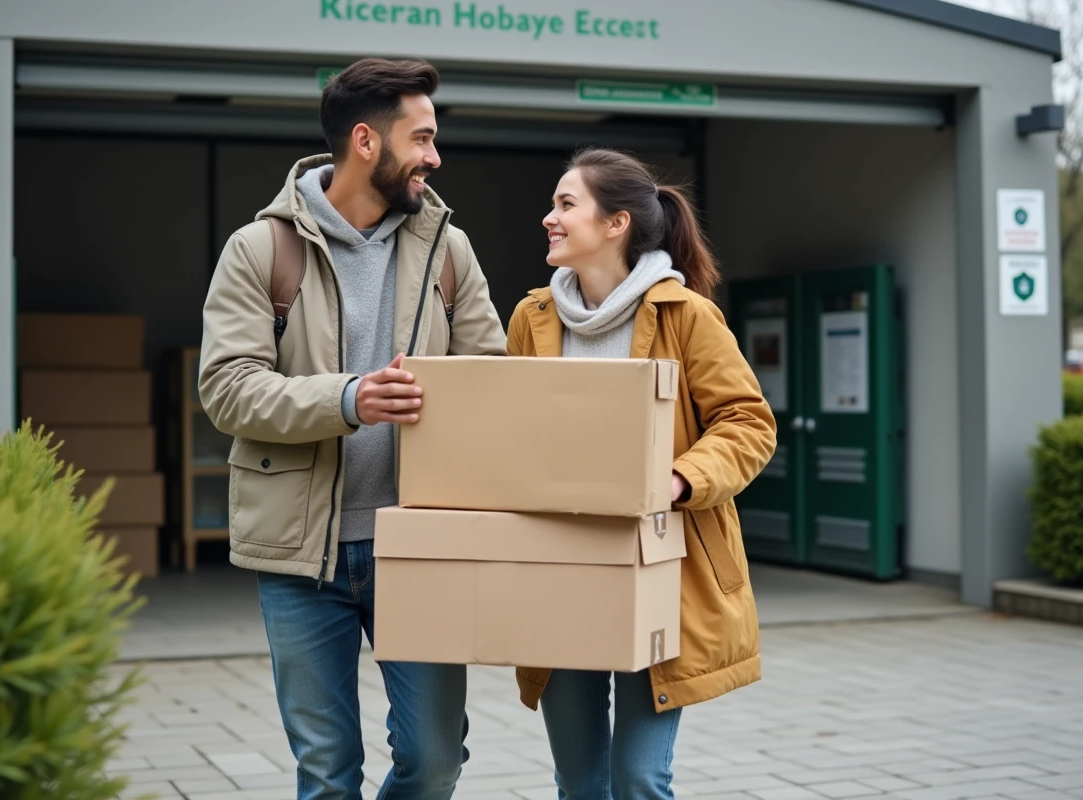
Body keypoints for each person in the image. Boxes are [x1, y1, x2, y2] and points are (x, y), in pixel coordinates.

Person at [198, 57, 507, 800]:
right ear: (366, 142)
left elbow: (491, 383)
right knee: (328, 774)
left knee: (435, 759)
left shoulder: (448, 249)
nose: (435, 156)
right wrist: (350, 399)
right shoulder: (260, 249)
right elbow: (227, 389)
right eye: (421, 138)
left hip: (419, 546)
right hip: (301, 554)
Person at [506, 148, 777, 800]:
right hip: (559, 573)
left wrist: (678, 480)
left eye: (566, 204)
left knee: (638, 779)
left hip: (659, 570)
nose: (549, 217)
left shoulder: (687, 316)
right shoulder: (531, 320)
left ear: (615, 223)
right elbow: (509, 434)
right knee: (579, 783)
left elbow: (748, 423)